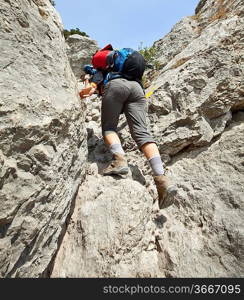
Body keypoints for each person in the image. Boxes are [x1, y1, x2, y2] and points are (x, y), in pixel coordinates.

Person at [80, 46, 176, 209]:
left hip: (116, 86)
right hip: (138, 90)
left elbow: (93, 84)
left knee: (109, 128)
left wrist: (88, 85)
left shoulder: (98, 68)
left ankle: (120, 161)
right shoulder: (123, 63)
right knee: (143, 134)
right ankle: (162, 179)